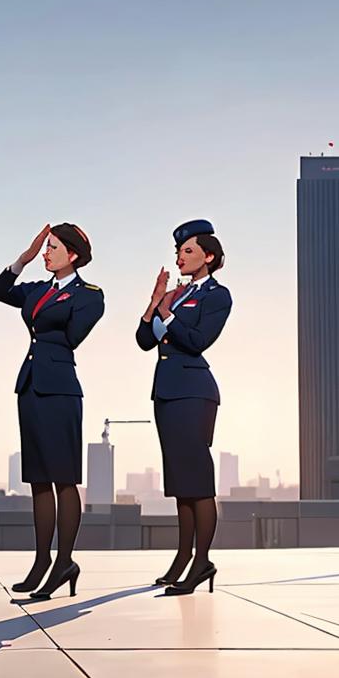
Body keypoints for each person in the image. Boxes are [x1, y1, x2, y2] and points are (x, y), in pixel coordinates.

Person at [0, 223, 104, 600]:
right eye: (45, 247)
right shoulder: (36, 290)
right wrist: (24, 257)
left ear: (72, 255)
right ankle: (41, 560)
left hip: (60, 390)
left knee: (64, 479)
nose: (46, 253)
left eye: (53, 248)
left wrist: (54, 310)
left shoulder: (89, 295)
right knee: (38, 478)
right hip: (31, 387)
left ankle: (64, 561)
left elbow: (71, 336)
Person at [136, 219, 231, 595]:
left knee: (198, 481)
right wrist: (155, 302)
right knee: (180, 483)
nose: (180, 257)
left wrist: (167, 312)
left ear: (209, 256)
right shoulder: (176, 294)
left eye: (188, 251)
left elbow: (197, 340)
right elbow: (144, 340)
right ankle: (183, 557)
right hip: (167, 392)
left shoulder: (216, 295)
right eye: (178, 252)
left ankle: (202, 561)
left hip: (194, 391)